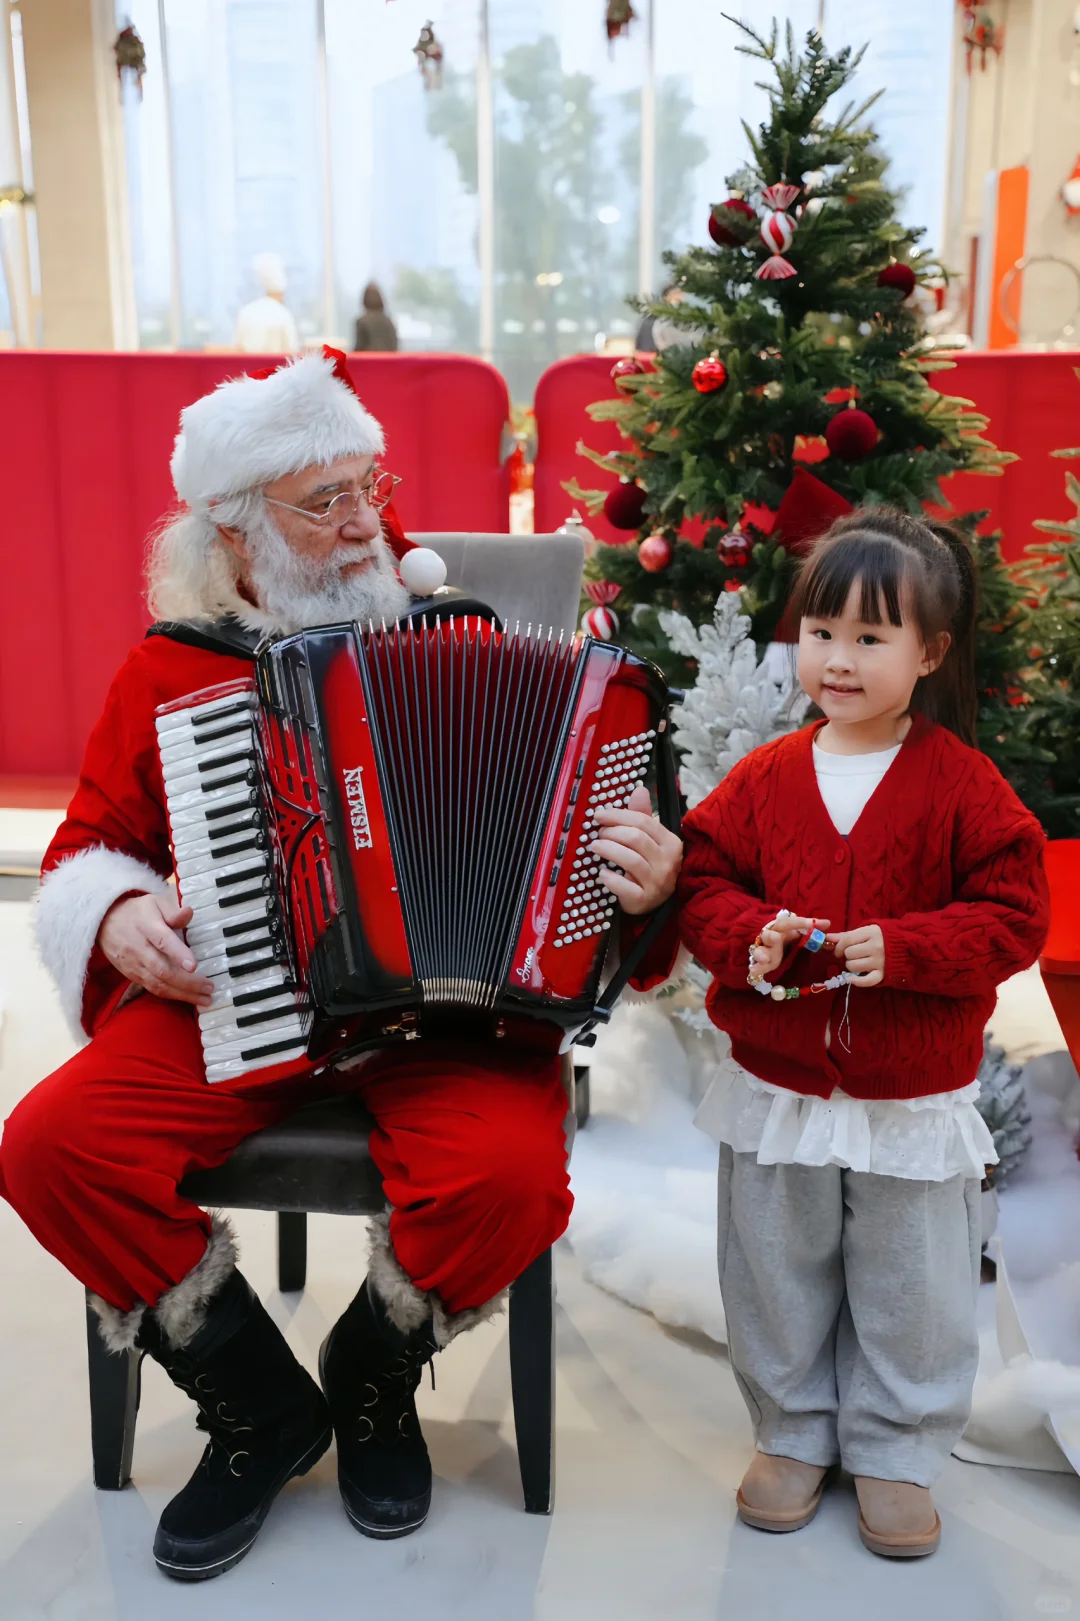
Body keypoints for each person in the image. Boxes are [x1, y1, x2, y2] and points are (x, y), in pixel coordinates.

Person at [0, 349, 682, 1582]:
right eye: (325, 501)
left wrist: (642, 873)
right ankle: (259, 1402)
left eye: (370, 483)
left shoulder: (453, 637)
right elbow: (91, 847)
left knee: (511, 1176)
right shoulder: (173, 669)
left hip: (447, 1021)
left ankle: (370, 1376)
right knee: (52, 1146)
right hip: (240, 999)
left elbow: (579, 839)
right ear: (237, 531)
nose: (367, 517)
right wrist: (113, 920)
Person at [677, 509, 1049, 1559]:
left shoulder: (963, 787)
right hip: (780, 1085)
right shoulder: (764, 779)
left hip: (907, 1093)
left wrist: (911, 946)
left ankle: (896, 1444)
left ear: (929, 654)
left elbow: (1016, 914)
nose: (837, 659)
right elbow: (703, 884)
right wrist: (753, 934)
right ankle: (791, 1427)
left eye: (871, 637)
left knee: (912, 1279)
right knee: (773, 1263)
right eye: (821, 630)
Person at [234, 252, 300, 355]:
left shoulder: (247, 311)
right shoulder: (283, 314)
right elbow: (292, 351)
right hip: (275, 370)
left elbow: (238, 349)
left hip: (247, 369)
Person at [353, 282, 398, 353]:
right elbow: (395, 346)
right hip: (389, 362)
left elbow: (358, 350)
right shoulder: (389, 321)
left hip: (369, 362)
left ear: (364, 301)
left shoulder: (362, 322)